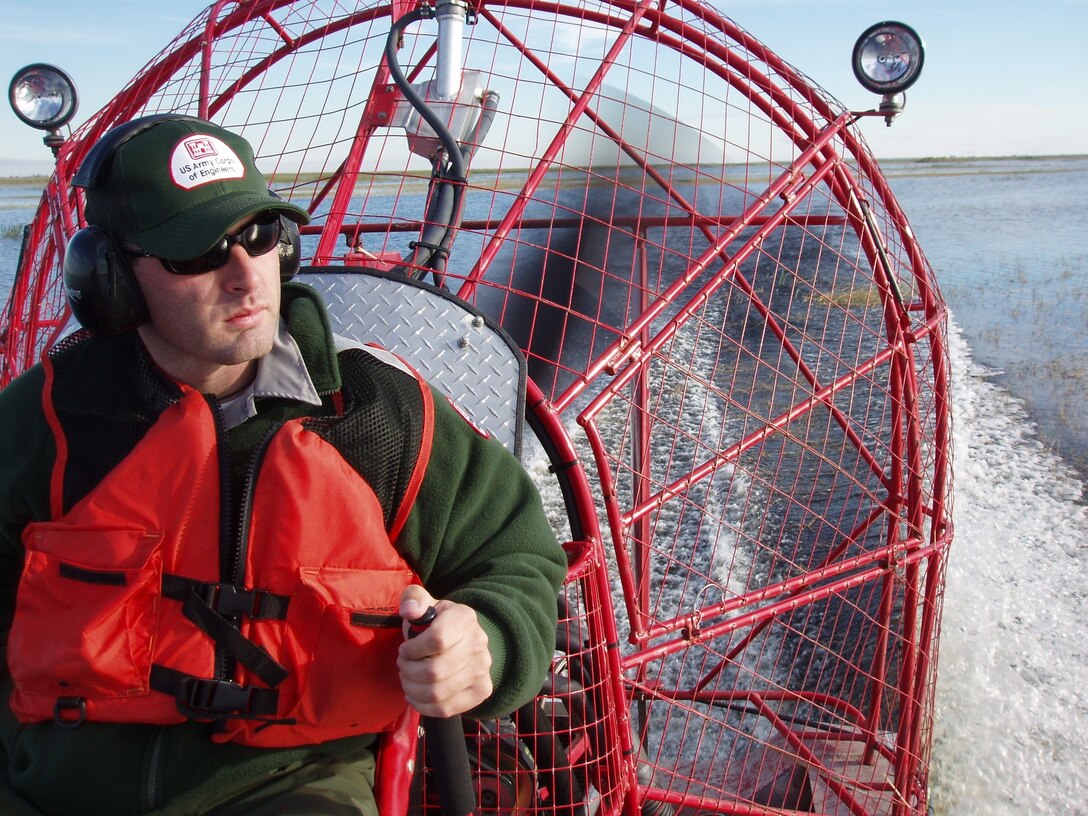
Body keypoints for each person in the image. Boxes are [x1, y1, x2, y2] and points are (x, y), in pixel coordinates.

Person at [0, 115, 567, 816]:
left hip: (291, 786)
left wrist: (487, 640)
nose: (245, 277)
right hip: (56, 787)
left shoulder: (377, 412)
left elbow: (515, 555)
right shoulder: (47, 420)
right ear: (112, 279)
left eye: (260, 236)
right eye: (197, 254)